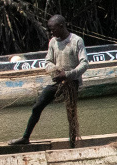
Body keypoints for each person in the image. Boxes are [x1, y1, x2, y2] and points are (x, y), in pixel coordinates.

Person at [12, 14, 86, 147]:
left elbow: (84, 64)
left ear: (61, 26)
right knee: (37, 107)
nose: (51, 32)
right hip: (56, 81)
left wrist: (68, 74)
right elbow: (48, 61)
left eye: (53, 29)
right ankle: (25, 137)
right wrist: (55, 69)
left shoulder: (76, 41)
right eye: (50, 30)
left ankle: (73, 144)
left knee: (71, 114)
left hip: (71, 82)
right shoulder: (53, 42)